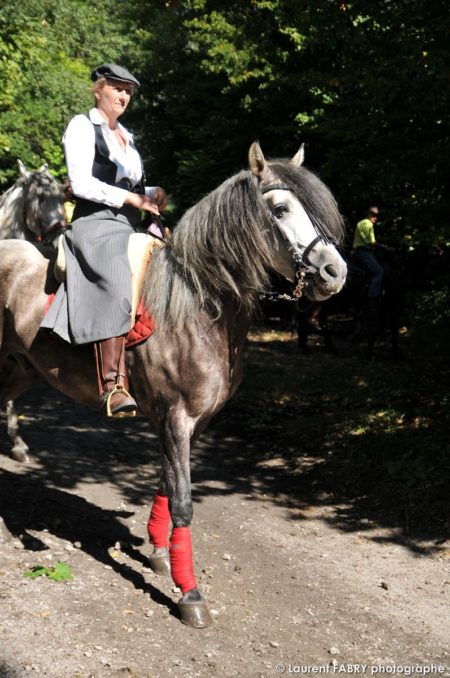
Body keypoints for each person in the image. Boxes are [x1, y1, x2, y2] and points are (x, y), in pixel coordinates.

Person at [41, 63, 168, 418]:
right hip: (94, 223)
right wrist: (131, 199)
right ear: (98, 90)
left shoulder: (127, 136)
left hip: (129, 223)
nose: (124, 95)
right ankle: (113, 386)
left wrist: (155, 193)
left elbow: (135, 186)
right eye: (117, 88)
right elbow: (80, 184)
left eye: (128, 91)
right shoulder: (82, 127)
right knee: (117, 273)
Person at [352, 206, 384, 302]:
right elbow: (372, 243)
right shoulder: (369, 225)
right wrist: (386, 248)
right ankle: (372, 297)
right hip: (365, 253)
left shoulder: (360, 223)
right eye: (374, 216)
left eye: (376, 216)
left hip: (356, 252)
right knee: (379, 272)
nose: (375, 218)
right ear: (369, 214)